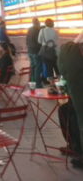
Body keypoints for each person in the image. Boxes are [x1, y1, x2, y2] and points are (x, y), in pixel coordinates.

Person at [57, 29, 83, 169]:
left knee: (74, 116)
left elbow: (68, 50)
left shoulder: (70, 52)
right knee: (65, 110)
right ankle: (74, 146)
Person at [38, 18, 60, 91]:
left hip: (46, 53)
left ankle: (52, 86)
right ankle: (60, 85)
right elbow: (57, 39)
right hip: (55, 52)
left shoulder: (42, 31)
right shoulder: (55, 31)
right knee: (57, 68)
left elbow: (39, 41)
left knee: (48, 69)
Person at [26, 17, 43, 85]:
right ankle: (38, 84)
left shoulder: (29, 29)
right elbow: (38, 42)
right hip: (36, 52)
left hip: (30, 51)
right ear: (38, 23)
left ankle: (32, 82)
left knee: (32, 67)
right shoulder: (37, 30)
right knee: (37, 68)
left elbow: (26, 40)